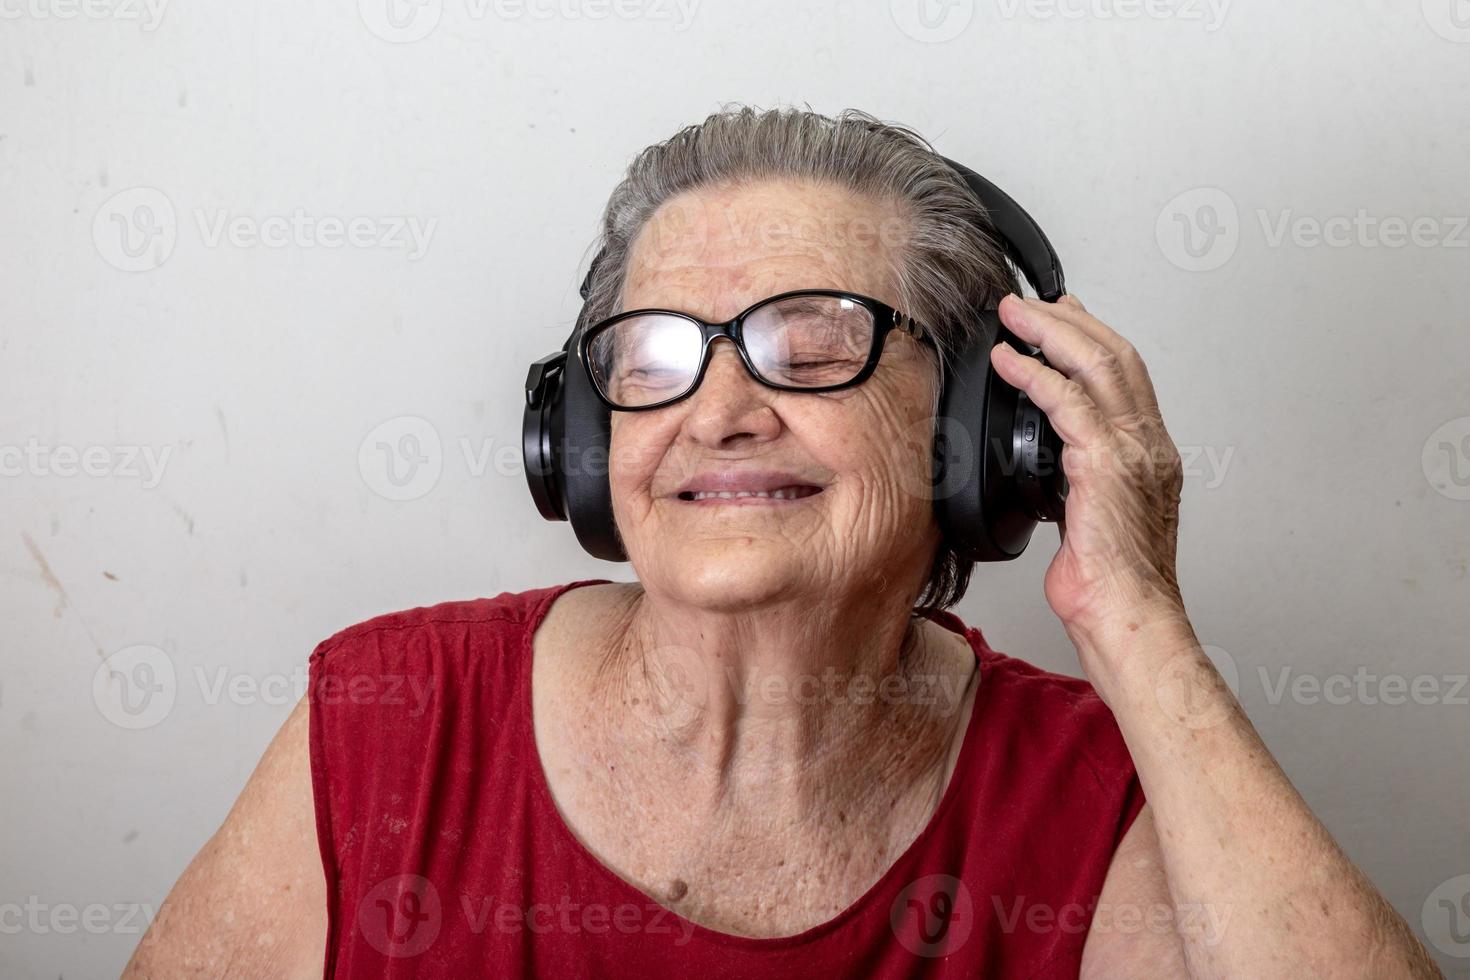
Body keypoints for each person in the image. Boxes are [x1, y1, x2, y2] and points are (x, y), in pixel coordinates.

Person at [125, 106, 1439, 978]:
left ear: (978, 433)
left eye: (814, 348)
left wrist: (1137, 620)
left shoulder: (1099, 800)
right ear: (582, 438)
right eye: (648, 359)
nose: (718, 412)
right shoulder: (392, 721)